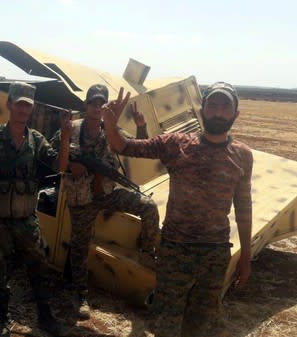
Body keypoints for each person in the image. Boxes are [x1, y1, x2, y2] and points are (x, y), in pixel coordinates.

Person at [102, 82, 253, 337]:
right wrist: (109, 124)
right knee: (165, 325)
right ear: (203, 110)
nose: (218, 112)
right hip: (175, 251)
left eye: (225, 107)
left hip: (215, 255)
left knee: (200, 325)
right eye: (213, 105)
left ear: (235, 114)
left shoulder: (242, 155)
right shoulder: (176, 144)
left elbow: (244, 208)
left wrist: (246, 258)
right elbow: (125, 147)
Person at [53, 84, 160, 320]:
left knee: (149, 206)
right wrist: (72, 165)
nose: (97, 107)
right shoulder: (72, 128)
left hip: (108, 193)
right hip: (82, 198)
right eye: (93, 103)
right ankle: (80, 294)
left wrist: (141, 126)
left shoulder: (111, 130)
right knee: (80, 245)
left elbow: (138, 148)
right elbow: (56, 164)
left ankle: (146, 251)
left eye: (102, 104)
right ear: (86, 105)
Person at [0, 82, 71, 337]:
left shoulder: (36, 140)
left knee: (39, 267)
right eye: (19, 104)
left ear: (31, 108)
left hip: (27, 219)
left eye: (27, 106)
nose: (23, 110)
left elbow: (60, 167)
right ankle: (3, 319)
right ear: (9, 105)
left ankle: (45, 315)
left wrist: (66, 137)